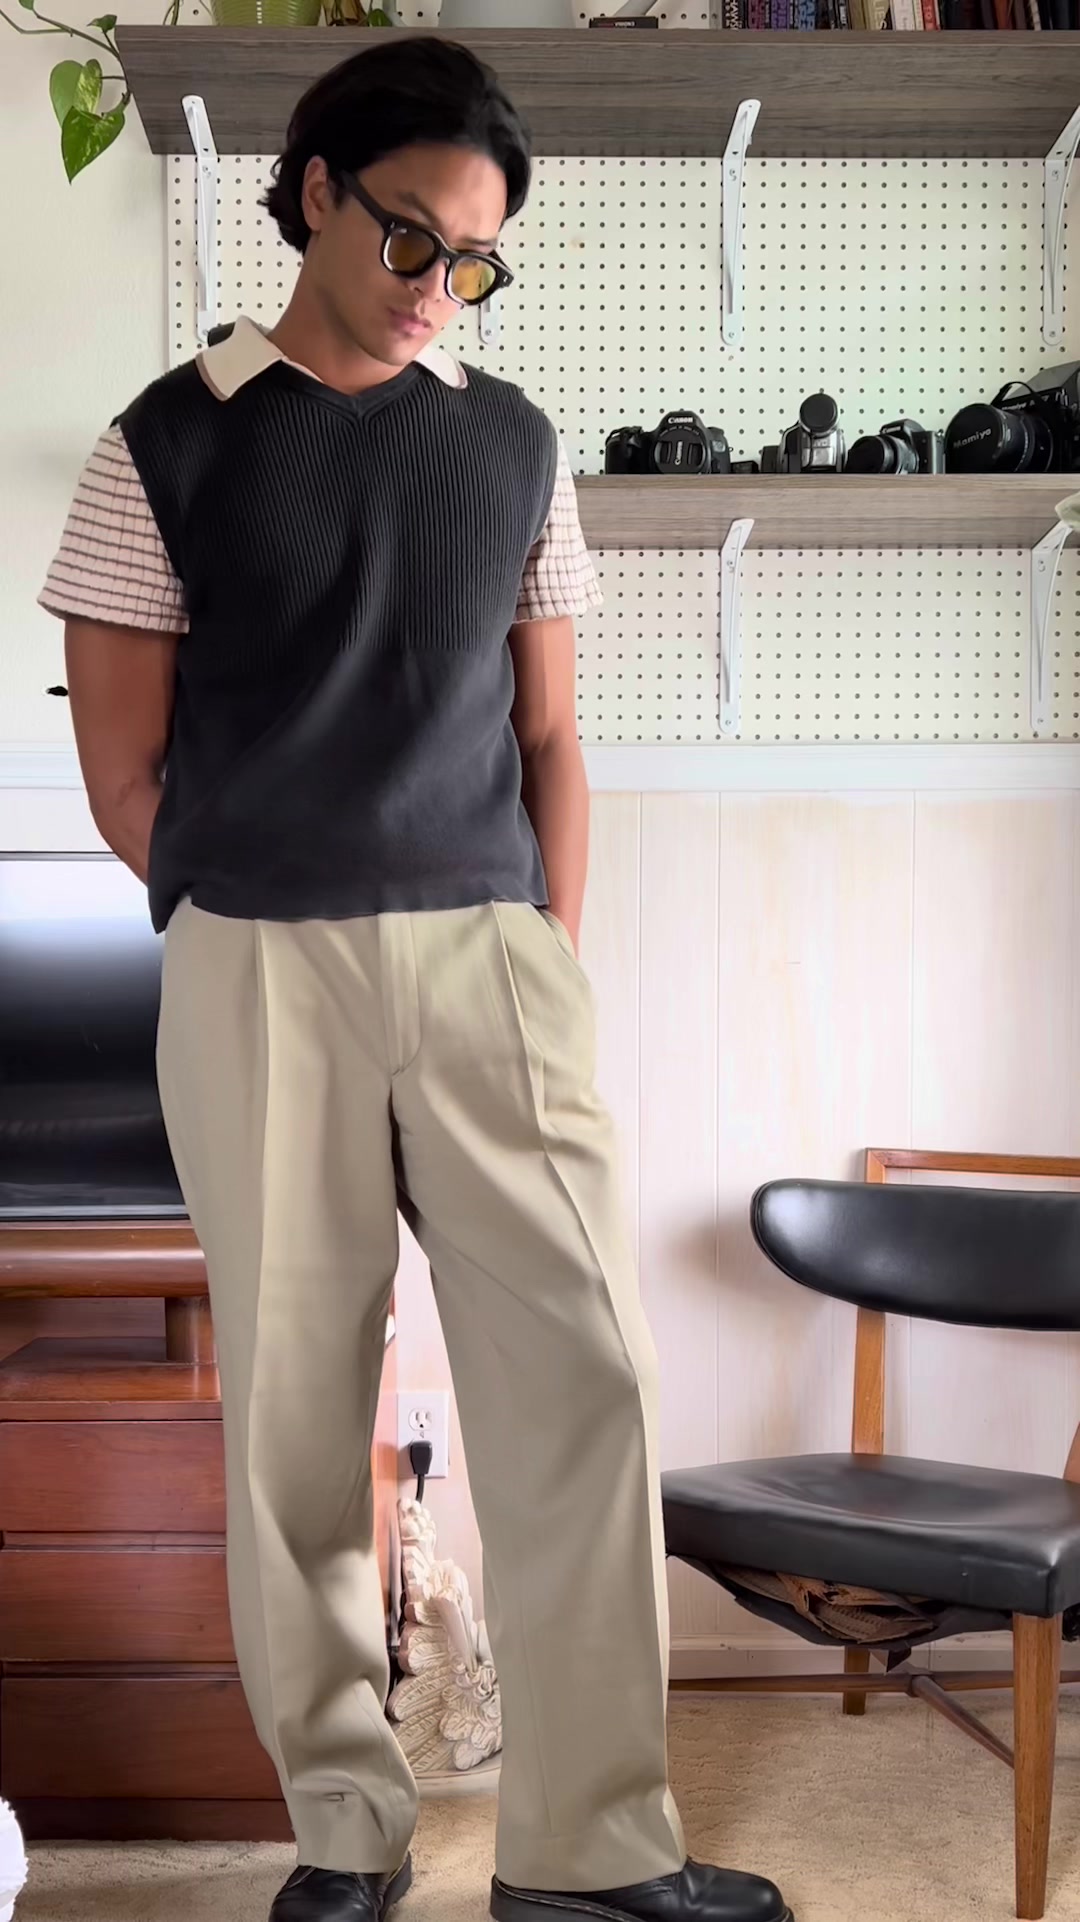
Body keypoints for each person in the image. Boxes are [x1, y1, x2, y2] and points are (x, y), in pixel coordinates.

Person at [40, 38, 792, 1922]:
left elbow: (550, 737)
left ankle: (591, 1848)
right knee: (298, 1420)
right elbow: (124, 772)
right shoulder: (164, 443)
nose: (436, 284)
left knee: (588, 1378)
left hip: (493, 960)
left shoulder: (513, 445)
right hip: (257, 970)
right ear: (314, 191)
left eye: (473, 259)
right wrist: (247, 907)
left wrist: (543, 946)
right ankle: (346, 1833)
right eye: (408, 237)